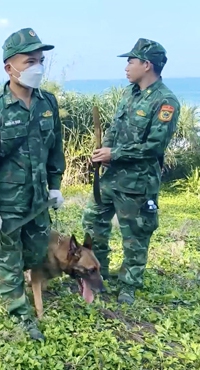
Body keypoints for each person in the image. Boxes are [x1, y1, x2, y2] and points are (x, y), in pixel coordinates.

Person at [0, 28, 65, 341]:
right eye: (30, 61)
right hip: (8, 200)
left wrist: (55, 185)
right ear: (9, 67)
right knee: (12, 260)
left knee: (37, 250)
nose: (37, 67)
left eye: (40, 60)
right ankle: (21, 314)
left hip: (38, 199)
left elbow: (56, 149)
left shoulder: (47, 103)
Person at [81, 38, 180, 305]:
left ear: (147, 65)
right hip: (110, 178)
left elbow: (154, 146)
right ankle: (96, 273)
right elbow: (114, 129)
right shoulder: (129, 93)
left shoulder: (165, 102)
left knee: (134, 236)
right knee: (93, 223)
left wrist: (116, 154)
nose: (127, 67)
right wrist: (104, 151)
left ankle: (128, 285)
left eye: (131, 61)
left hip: (137, 183)